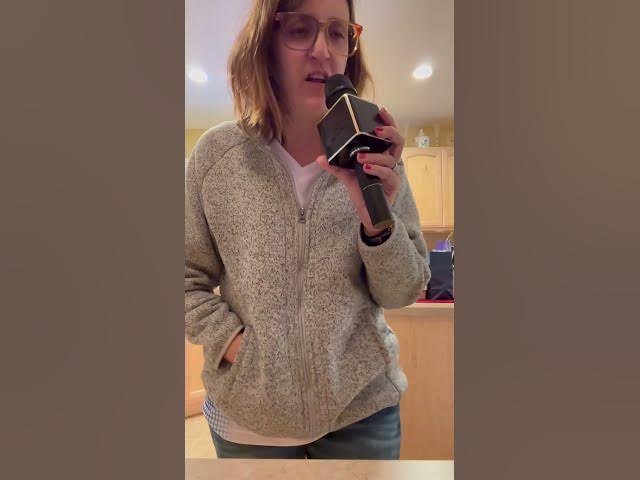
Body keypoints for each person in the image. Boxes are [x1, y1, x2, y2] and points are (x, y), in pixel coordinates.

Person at [185, 0, 430, 459]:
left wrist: (377, 220)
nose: (323, 50)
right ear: (265, 44)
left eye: (337, 33)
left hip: (362, 418)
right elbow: (184, 280)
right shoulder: (215, 158)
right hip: (250, 425)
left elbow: (401, 291)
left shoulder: (378, 160)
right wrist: (237, 347)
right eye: (300, 29)